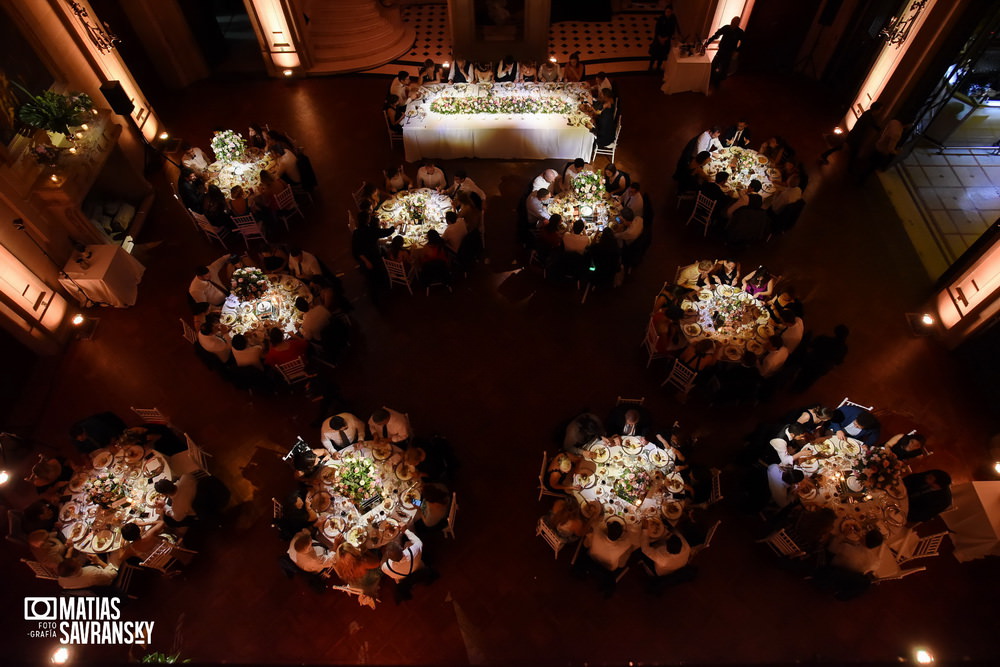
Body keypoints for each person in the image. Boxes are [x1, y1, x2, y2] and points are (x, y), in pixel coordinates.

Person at [792, 325, 850, 392]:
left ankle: (794, 386)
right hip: (822, 367)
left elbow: (812, 345)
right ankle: (801, 390)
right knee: (812, 379)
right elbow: (838, 361)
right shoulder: (844, 348)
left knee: (802, 374)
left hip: (811, 361)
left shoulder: (824, 338)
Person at [381, 530, 427, 601]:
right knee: (408, 543)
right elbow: (418, 542)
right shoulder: (413, 551)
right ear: (402, 548)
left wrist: (385, 554)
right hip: (418, 567)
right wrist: (405, 530)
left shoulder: (386, 567)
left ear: (389, 558)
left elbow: (382, 562)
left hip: (402, 579)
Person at [705, 17, 745, 88]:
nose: (733, 23)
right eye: (733, 21)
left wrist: (737, 50)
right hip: (721, 50)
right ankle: (709, 80)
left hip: (729, 53)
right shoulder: (726, 28)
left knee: (724, 68)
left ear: (738, 23)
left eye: (735, 22)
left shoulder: (740, 32)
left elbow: (744, 42)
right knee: (714, 65)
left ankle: (717, 82)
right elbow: (716, 35)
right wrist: (708, 42)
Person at [648, 6, 679, 71]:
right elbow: (657, 30)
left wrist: (665, 39)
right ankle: (650, 66)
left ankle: (658, 66)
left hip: (666, 40)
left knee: (662, 55)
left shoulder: (672, 21)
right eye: (667, 11)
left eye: (669, 12)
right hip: (658, 39)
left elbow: (671, 32)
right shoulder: (661, 19)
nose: (667, 13)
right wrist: (660, 38)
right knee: (654, 54)